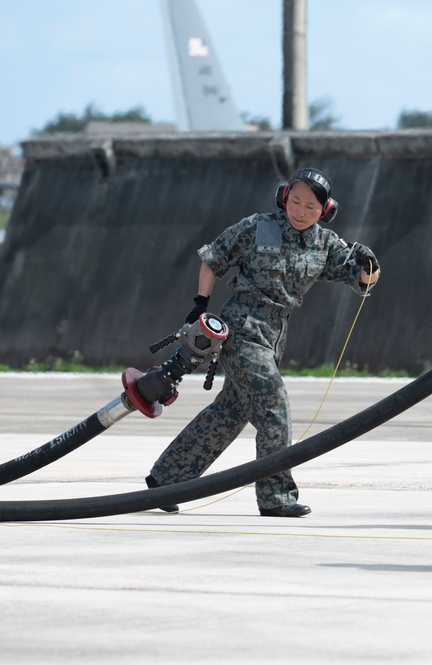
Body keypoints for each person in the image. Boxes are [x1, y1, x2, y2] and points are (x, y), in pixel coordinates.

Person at [145, 168, 380, 517]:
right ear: (284, 197)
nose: (300, 211)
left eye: (310, 206)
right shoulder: (258, 226)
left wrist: (369, 265)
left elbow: (359, 279)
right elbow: (214, 258)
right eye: (295, 201)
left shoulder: (325, 244)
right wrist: (199, 304)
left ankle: (166, 480)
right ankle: (276, 496)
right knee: (274, 405)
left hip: (275, 332)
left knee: (232, 411)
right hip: (241, 324)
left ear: (325, 211)